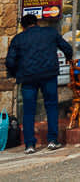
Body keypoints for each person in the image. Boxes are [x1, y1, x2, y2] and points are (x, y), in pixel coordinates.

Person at [4, 14, 73, 153]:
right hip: (49, 75)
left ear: (23, 26)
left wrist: (14, 73)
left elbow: (10, 61)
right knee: (52, 107)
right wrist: (69, 58)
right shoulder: (50, 32)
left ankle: (30, 145)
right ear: (36, 23)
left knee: (29, 111)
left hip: (28, 78)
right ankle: (52, 141)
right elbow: (67, 48)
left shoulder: (18, 39)